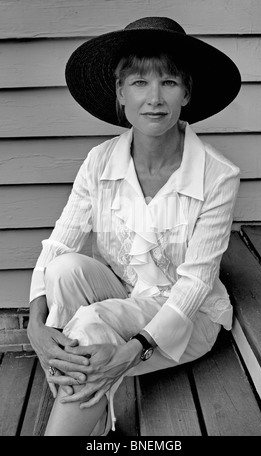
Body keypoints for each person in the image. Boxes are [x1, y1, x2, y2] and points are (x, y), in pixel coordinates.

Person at [27, 16, 241, 436]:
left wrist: (134, 349)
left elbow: (196, 283)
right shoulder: (100, 160)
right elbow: (59, 244)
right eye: (140, 82)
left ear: (187, 92)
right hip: (124, 292)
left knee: (89, 324)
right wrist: (36, 324)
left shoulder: (218, 174)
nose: (155, 98)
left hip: (187, 315)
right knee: (63, 269)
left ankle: (79, 416)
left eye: (169, 82)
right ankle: (91, 397)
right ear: (120, 93)